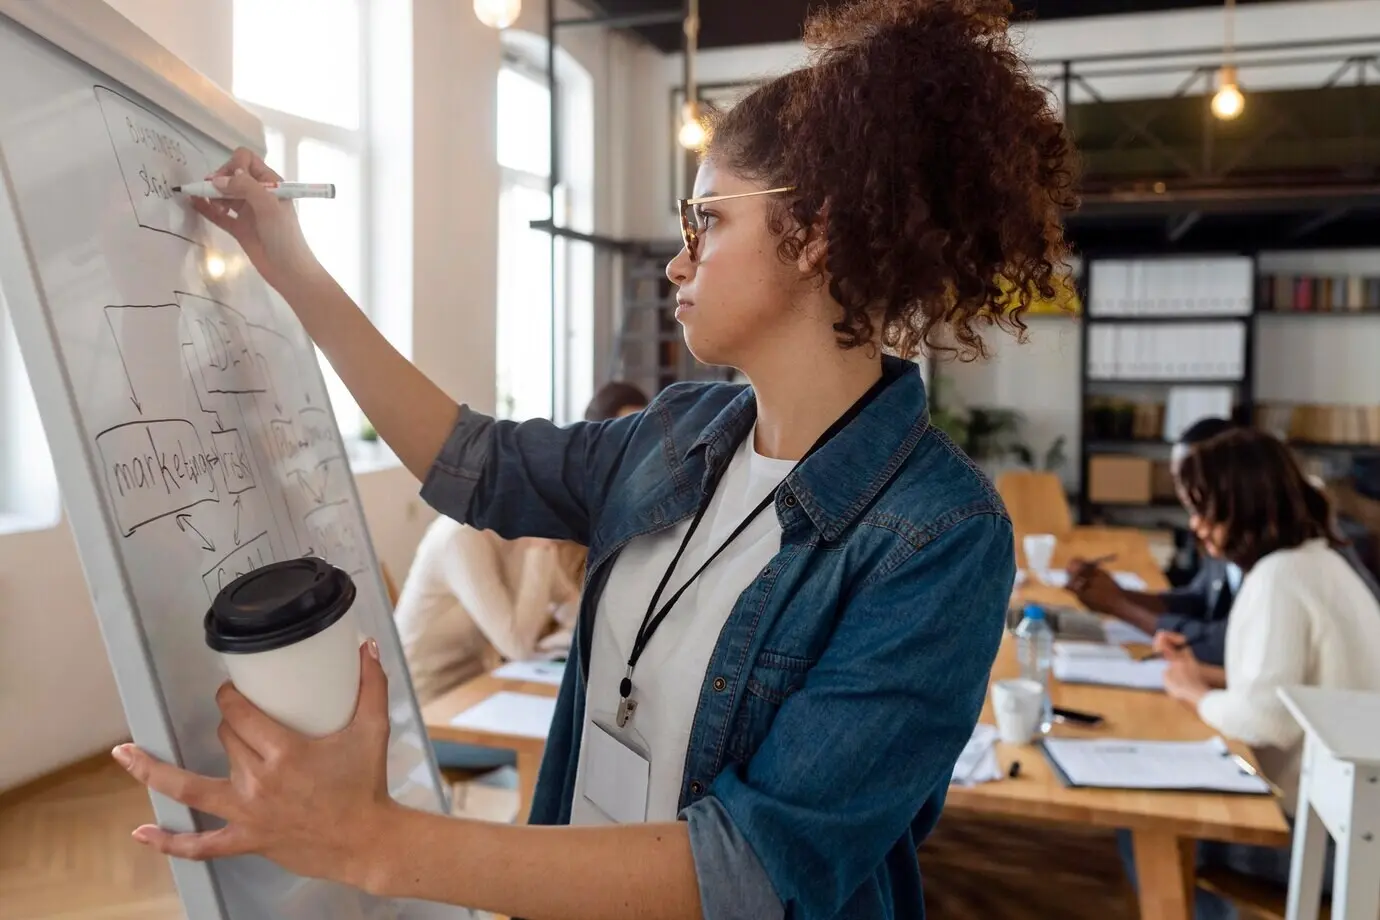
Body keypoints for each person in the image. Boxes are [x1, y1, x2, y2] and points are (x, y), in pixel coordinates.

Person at [112, 2, 1078, 917]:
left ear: (814, 232)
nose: (679, 259)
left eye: (708, 220)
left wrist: (372, 839)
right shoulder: (679, 431)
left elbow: (750, 871)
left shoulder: (939, 536)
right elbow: (473, 461)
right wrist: (290, 264)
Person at [1124, 428, 1380, 918]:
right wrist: (1205, 675)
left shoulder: (1278, 578)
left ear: (1241, 504)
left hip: (1332, 845)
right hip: (1356, 830)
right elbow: (1296, 692)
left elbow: (1267, 722)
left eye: (1204, 509)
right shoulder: (1320, 562)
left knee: (1152, 823)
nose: (1196, 526)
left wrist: (1194, 692)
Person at [396, 385, 648, 770]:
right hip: (427, 716)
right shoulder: (461, 538)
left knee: (581, 730)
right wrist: (541, 548)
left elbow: (577, 613)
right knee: (563, 748)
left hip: (482, 695)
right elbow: (516, 643)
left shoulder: (517, 537)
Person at [1067, 418, 1380, 668]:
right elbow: (1201, 601)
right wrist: (1115, 593)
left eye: (1195, 481)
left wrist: (1119, 606)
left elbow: (1225, 644)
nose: (1184, 494)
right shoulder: (1230, 529)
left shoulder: (1285, 553)